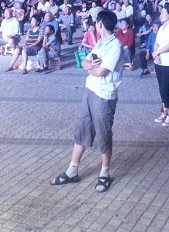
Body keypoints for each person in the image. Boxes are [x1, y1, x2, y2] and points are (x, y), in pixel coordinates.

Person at [50, 10, 123, 193]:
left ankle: (104, 173)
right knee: (82, 128)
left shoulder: (115, 45)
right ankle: (72, 170)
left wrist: (90, 69)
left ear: (100, 24)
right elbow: (84, 62)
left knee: (103, 133)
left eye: (96, 23)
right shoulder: (100, 43)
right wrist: (90, 67)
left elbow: (100, 72)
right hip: (90, 90)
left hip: (105, 95)